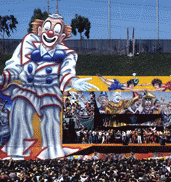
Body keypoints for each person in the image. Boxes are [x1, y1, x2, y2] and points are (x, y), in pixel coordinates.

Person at [0, 14, 99, 160]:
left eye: (56, 30)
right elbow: (15, 67)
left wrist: (73, 82)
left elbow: (67, 72)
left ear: (61, 36)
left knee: (52, 114)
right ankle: (18, 150)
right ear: (40, 30)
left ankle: (53, 151)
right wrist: (4, 78)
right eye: (47, 28)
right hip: (28, 87)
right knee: (20, 107)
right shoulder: (26, 44)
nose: (50, 32)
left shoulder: (67, 54)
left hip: (49, 90)